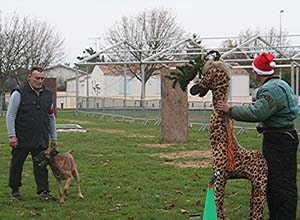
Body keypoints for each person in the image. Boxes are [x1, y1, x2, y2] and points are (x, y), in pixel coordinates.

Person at [216, 52, 298, 220]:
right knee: (282, 181)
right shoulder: (282, 84)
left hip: (278, 141)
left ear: (257, 72)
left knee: (279, 183)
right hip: (284, 138)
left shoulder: (270, 90)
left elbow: (258, 112)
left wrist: (230, 110)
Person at [6, 67, 57, 201]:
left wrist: (54, 137)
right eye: (37, 78)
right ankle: (15, 190)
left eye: (42, 78)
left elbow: (51, 117)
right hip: (21, 137)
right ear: (29, 77)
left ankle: (43, 192)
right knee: (17, 165)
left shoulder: (47, 95)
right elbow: (10, 115)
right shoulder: (19, 93)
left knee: (41, 165)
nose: (40, 81)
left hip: (40, 137)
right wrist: (12, 135)